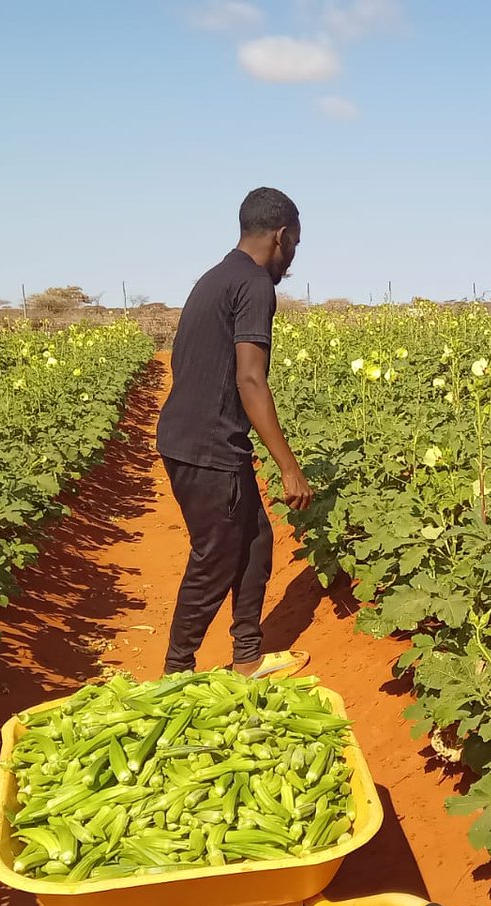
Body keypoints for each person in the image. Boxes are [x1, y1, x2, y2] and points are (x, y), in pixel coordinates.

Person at [155, 186, 314, 679]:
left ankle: (246, 655)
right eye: (294, 248)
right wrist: (289, 467)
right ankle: (176, 671)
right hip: (208, 448)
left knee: (254, 542)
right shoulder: (254, 285)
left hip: (195, 438)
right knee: (216, 557)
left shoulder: (216, 277)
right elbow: (250, 378)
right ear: (282, 237)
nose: (290, 261)